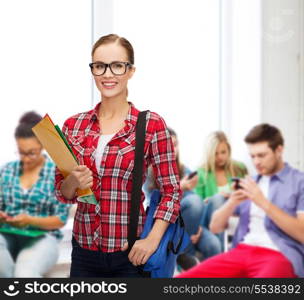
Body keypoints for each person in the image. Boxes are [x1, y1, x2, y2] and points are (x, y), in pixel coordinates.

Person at [54, 34, 181, 278]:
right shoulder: (74, 125)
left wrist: (151, 241)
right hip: (84, 253)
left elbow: (171, 191)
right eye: (100, 66)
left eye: (117, 66)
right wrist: (73, 182)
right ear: (92, 70)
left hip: (130, 254)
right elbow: (63, 192)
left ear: (130, 70)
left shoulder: (151, 125)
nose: (107, 74)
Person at [177, 124, 304, 278]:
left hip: (279, 254)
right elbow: (215, 227)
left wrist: (262, 202)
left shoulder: (298, 182)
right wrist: (231, 202)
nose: (256, 162)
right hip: (242, 252)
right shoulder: (250, 182)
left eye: (262, 155)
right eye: (253, 156)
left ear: (279, 150)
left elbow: (301, 234)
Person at [0, 111, 70, 277]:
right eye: (21, 152)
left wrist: (29, 220)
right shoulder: (7, 170)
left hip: (42, 238)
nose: (25, 159)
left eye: (31, 153)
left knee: (24, 273)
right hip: (6, 233)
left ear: (42, 147)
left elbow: (59, 220)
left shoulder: (56, 173)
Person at [143, 128, 221, 267]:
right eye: (168, 145)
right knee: (194, 202)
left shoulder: (185, 170)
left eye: (175, 144)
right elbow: (152, 206)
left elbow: (196, 205)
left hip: (189, 225)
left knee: (213, 245)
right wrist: (181, 186)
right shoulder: (149, 173)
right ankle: (183, 253)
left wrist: (198, 226)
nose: (173, 149)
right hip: (166, 225)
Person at [195, 131, 247, 249]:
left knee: (224, 200)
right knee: (218, 199)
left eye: (223, 152)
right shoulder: (201, 173)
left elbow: (248, 195)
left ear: (229, 151)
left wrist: (232, 196)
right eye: (215, 153)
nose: (220, 157)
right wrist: (209, 200)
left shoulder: (239, 169)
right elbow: (197, 205)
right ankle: (222, 249)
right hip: (210, 218)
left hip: (234, 212)